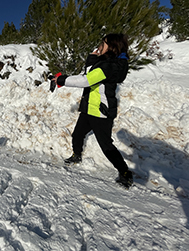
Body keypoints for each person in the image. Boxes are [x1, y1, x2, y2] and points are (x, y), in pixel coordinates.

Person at [53, 33, 134, 188]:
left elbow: (85, 81)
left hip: (101, 112)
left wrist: (62, 80)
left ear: (111, 46)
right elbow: (86, 75)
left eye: (103, 43)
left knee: (106, 145)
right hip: (89, 108)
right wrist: (91, 59)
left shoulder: (110, 66)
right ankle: (76, 155)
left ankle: (125, 173)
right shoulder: (104, 62)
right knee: (77, 134)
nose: (99, 46)